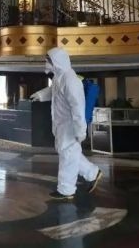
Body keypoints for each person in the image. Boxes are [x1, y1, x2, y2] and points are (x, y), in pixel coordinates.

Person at [31, 47, 102, 200]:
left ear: (57, 61)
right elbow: (54, 91)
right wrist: (40, 95)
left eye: (48, 60)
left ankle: (66, 190)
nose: (46, 63)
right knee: (68, 152)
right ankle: (92, 173)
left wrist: (80, 130)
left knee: (68, 155)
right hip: (61, 124)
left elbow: (78, 106)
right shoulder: (59, 77)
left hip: (70, 125)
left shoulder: (70, 80)